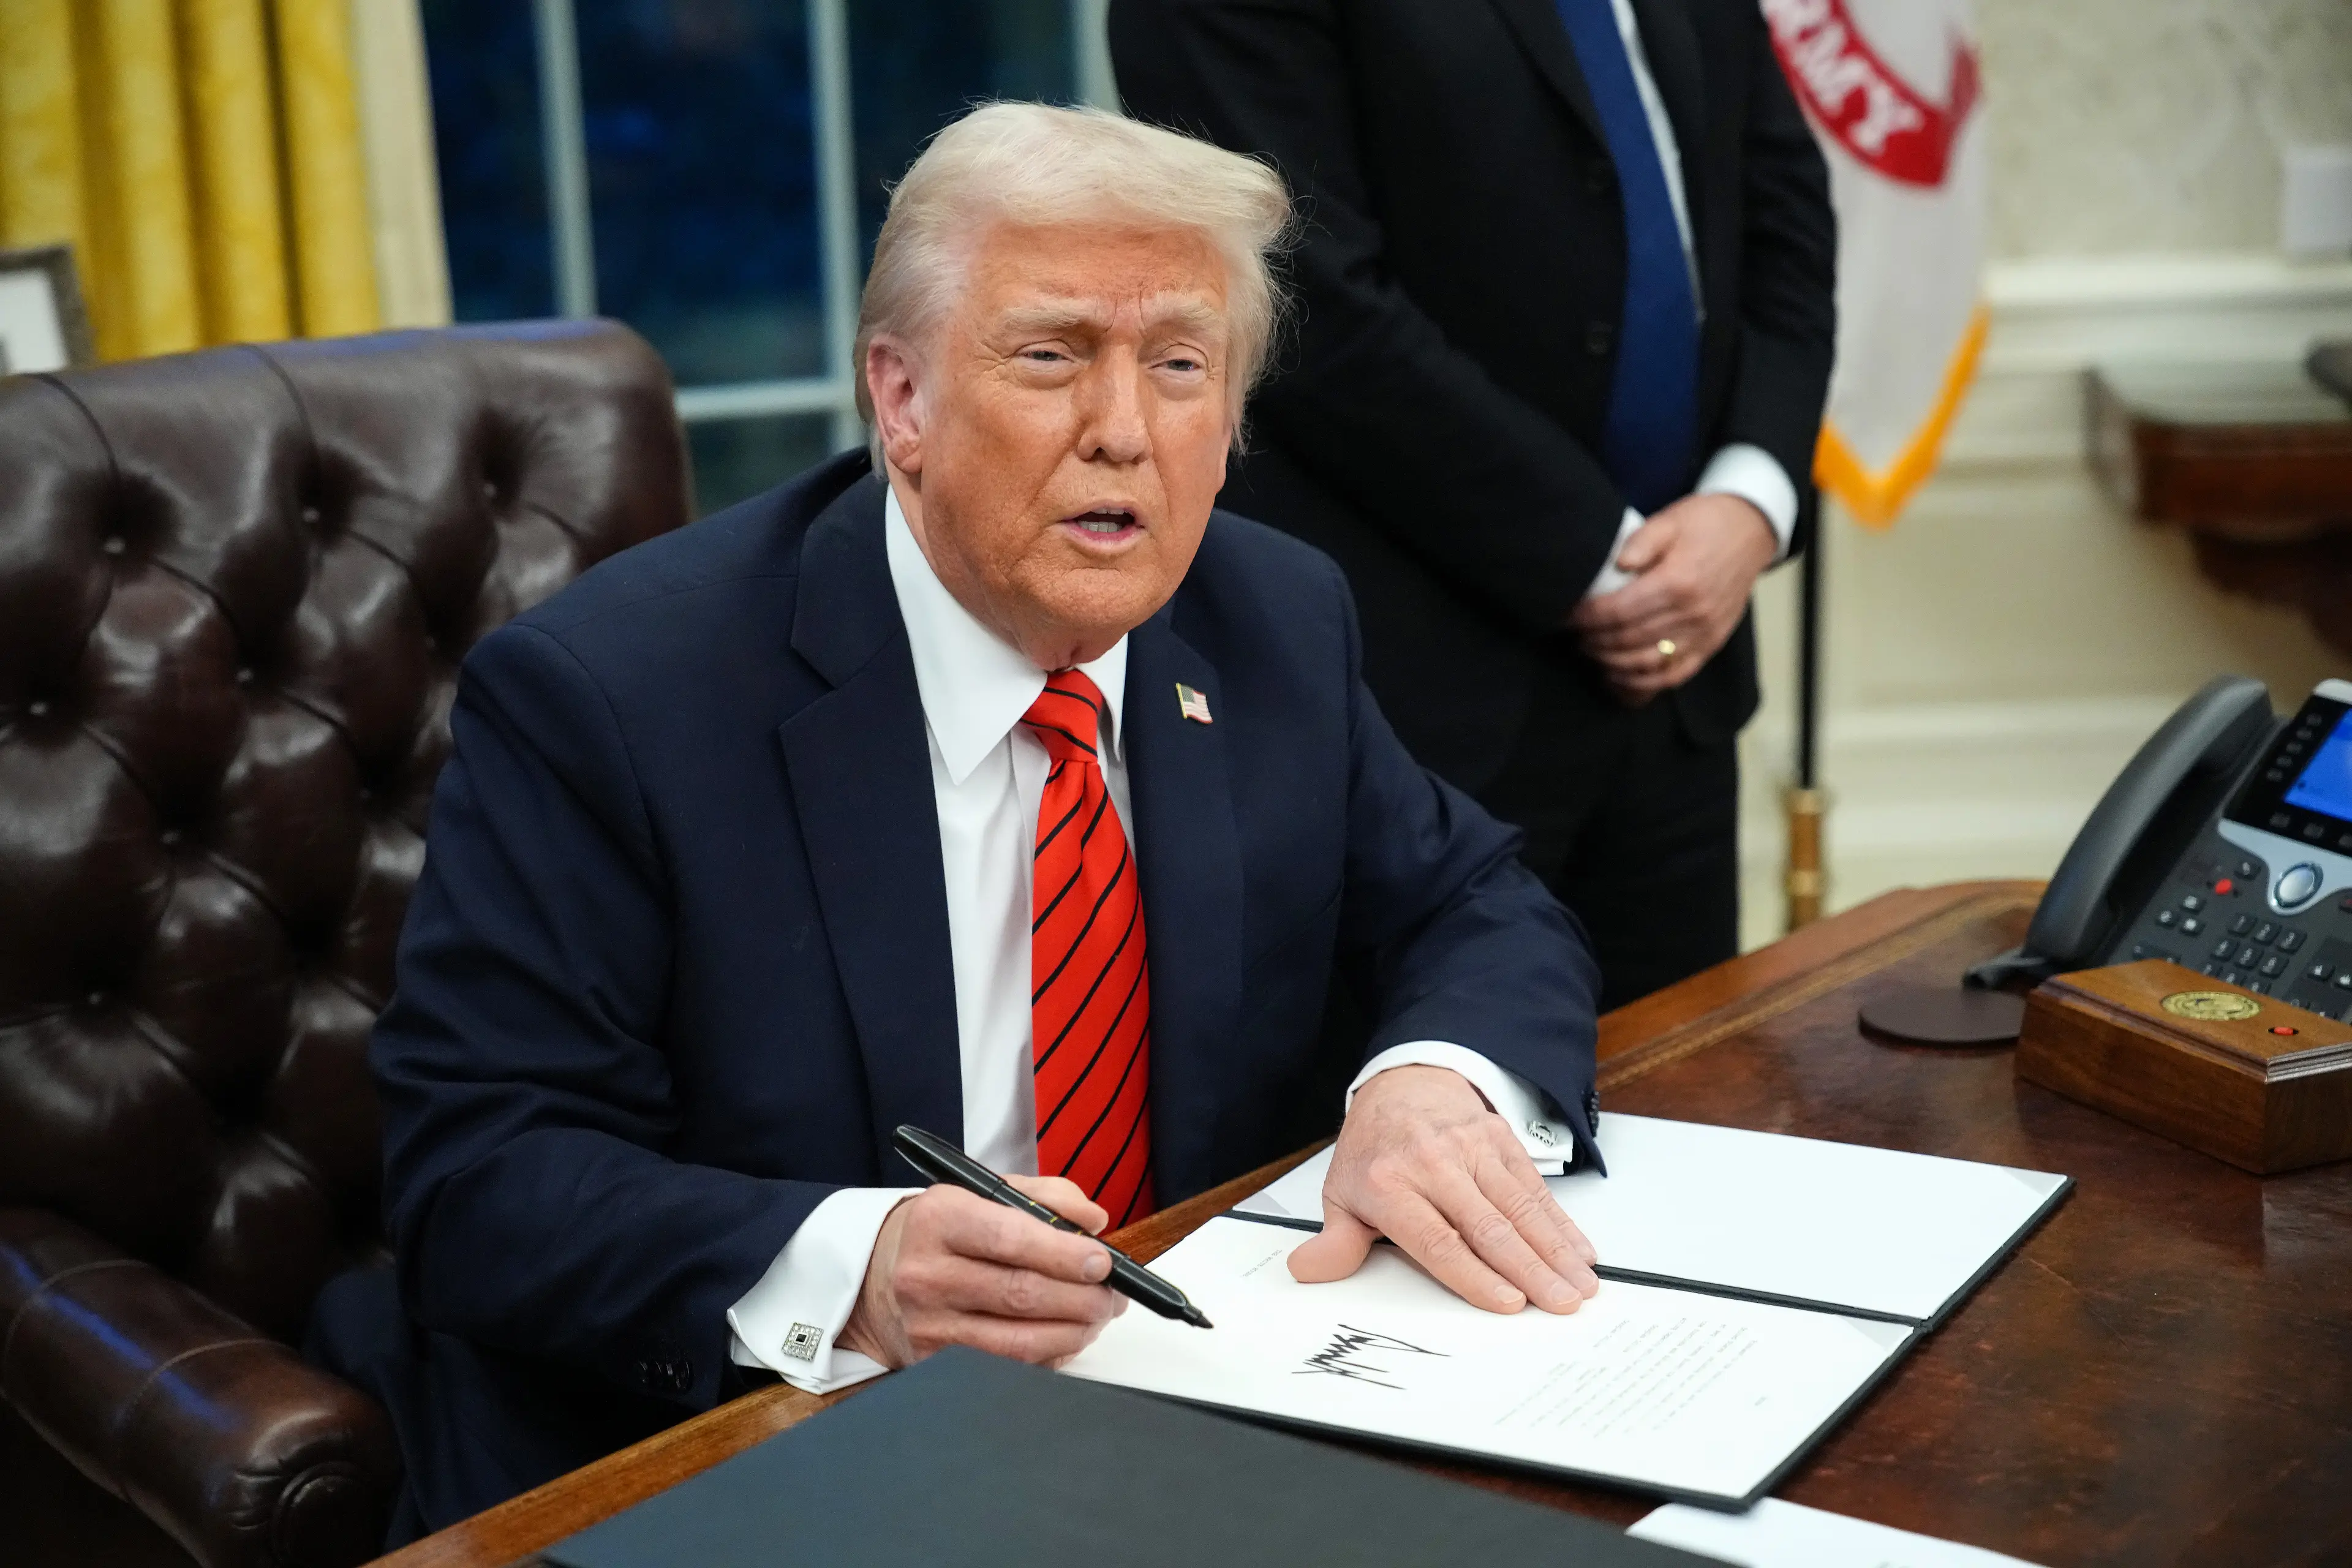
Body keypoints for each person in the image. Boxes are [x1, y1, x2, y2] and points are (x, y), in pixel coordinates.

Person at [312, 103, 1607, 1542]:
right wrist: (857, 1263)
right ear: (903, 400)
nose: (1125, 431)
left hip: (1191, 1411)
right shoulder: (614, 696)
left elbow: (1470, 897)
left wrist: (1429, 1082)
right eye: (1051, 356)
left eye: (1181, 366)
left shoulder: (1273, 616)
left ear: (1233, 423)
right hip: (759, 1442)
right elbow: (480, 1174)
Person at [1110, 0, 1838, 1007]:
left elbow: (1785, 211)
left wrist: (1751, 503)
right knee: (1417, 1136)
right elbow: (1299, 294)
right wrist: (1598, 559)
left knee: (1683, 1110)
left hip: (1680, 677)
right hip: (1403, 698)